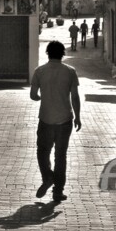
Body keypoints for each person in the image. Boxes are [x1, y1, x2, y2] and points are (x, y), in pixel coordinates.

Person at [30, 40, 82, 203]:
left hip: (46, 119)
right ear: (62, 54)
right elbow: (75, 96)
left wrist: (41, 96)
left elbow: (33, 95)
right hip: (65, 120)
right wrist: (78, 117)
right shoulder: (70, 71)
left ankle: (48, 177)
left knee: (43, 152)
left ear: (47, 53)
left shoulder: (39, 71)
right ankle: (58, 192)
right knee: (61, 156)